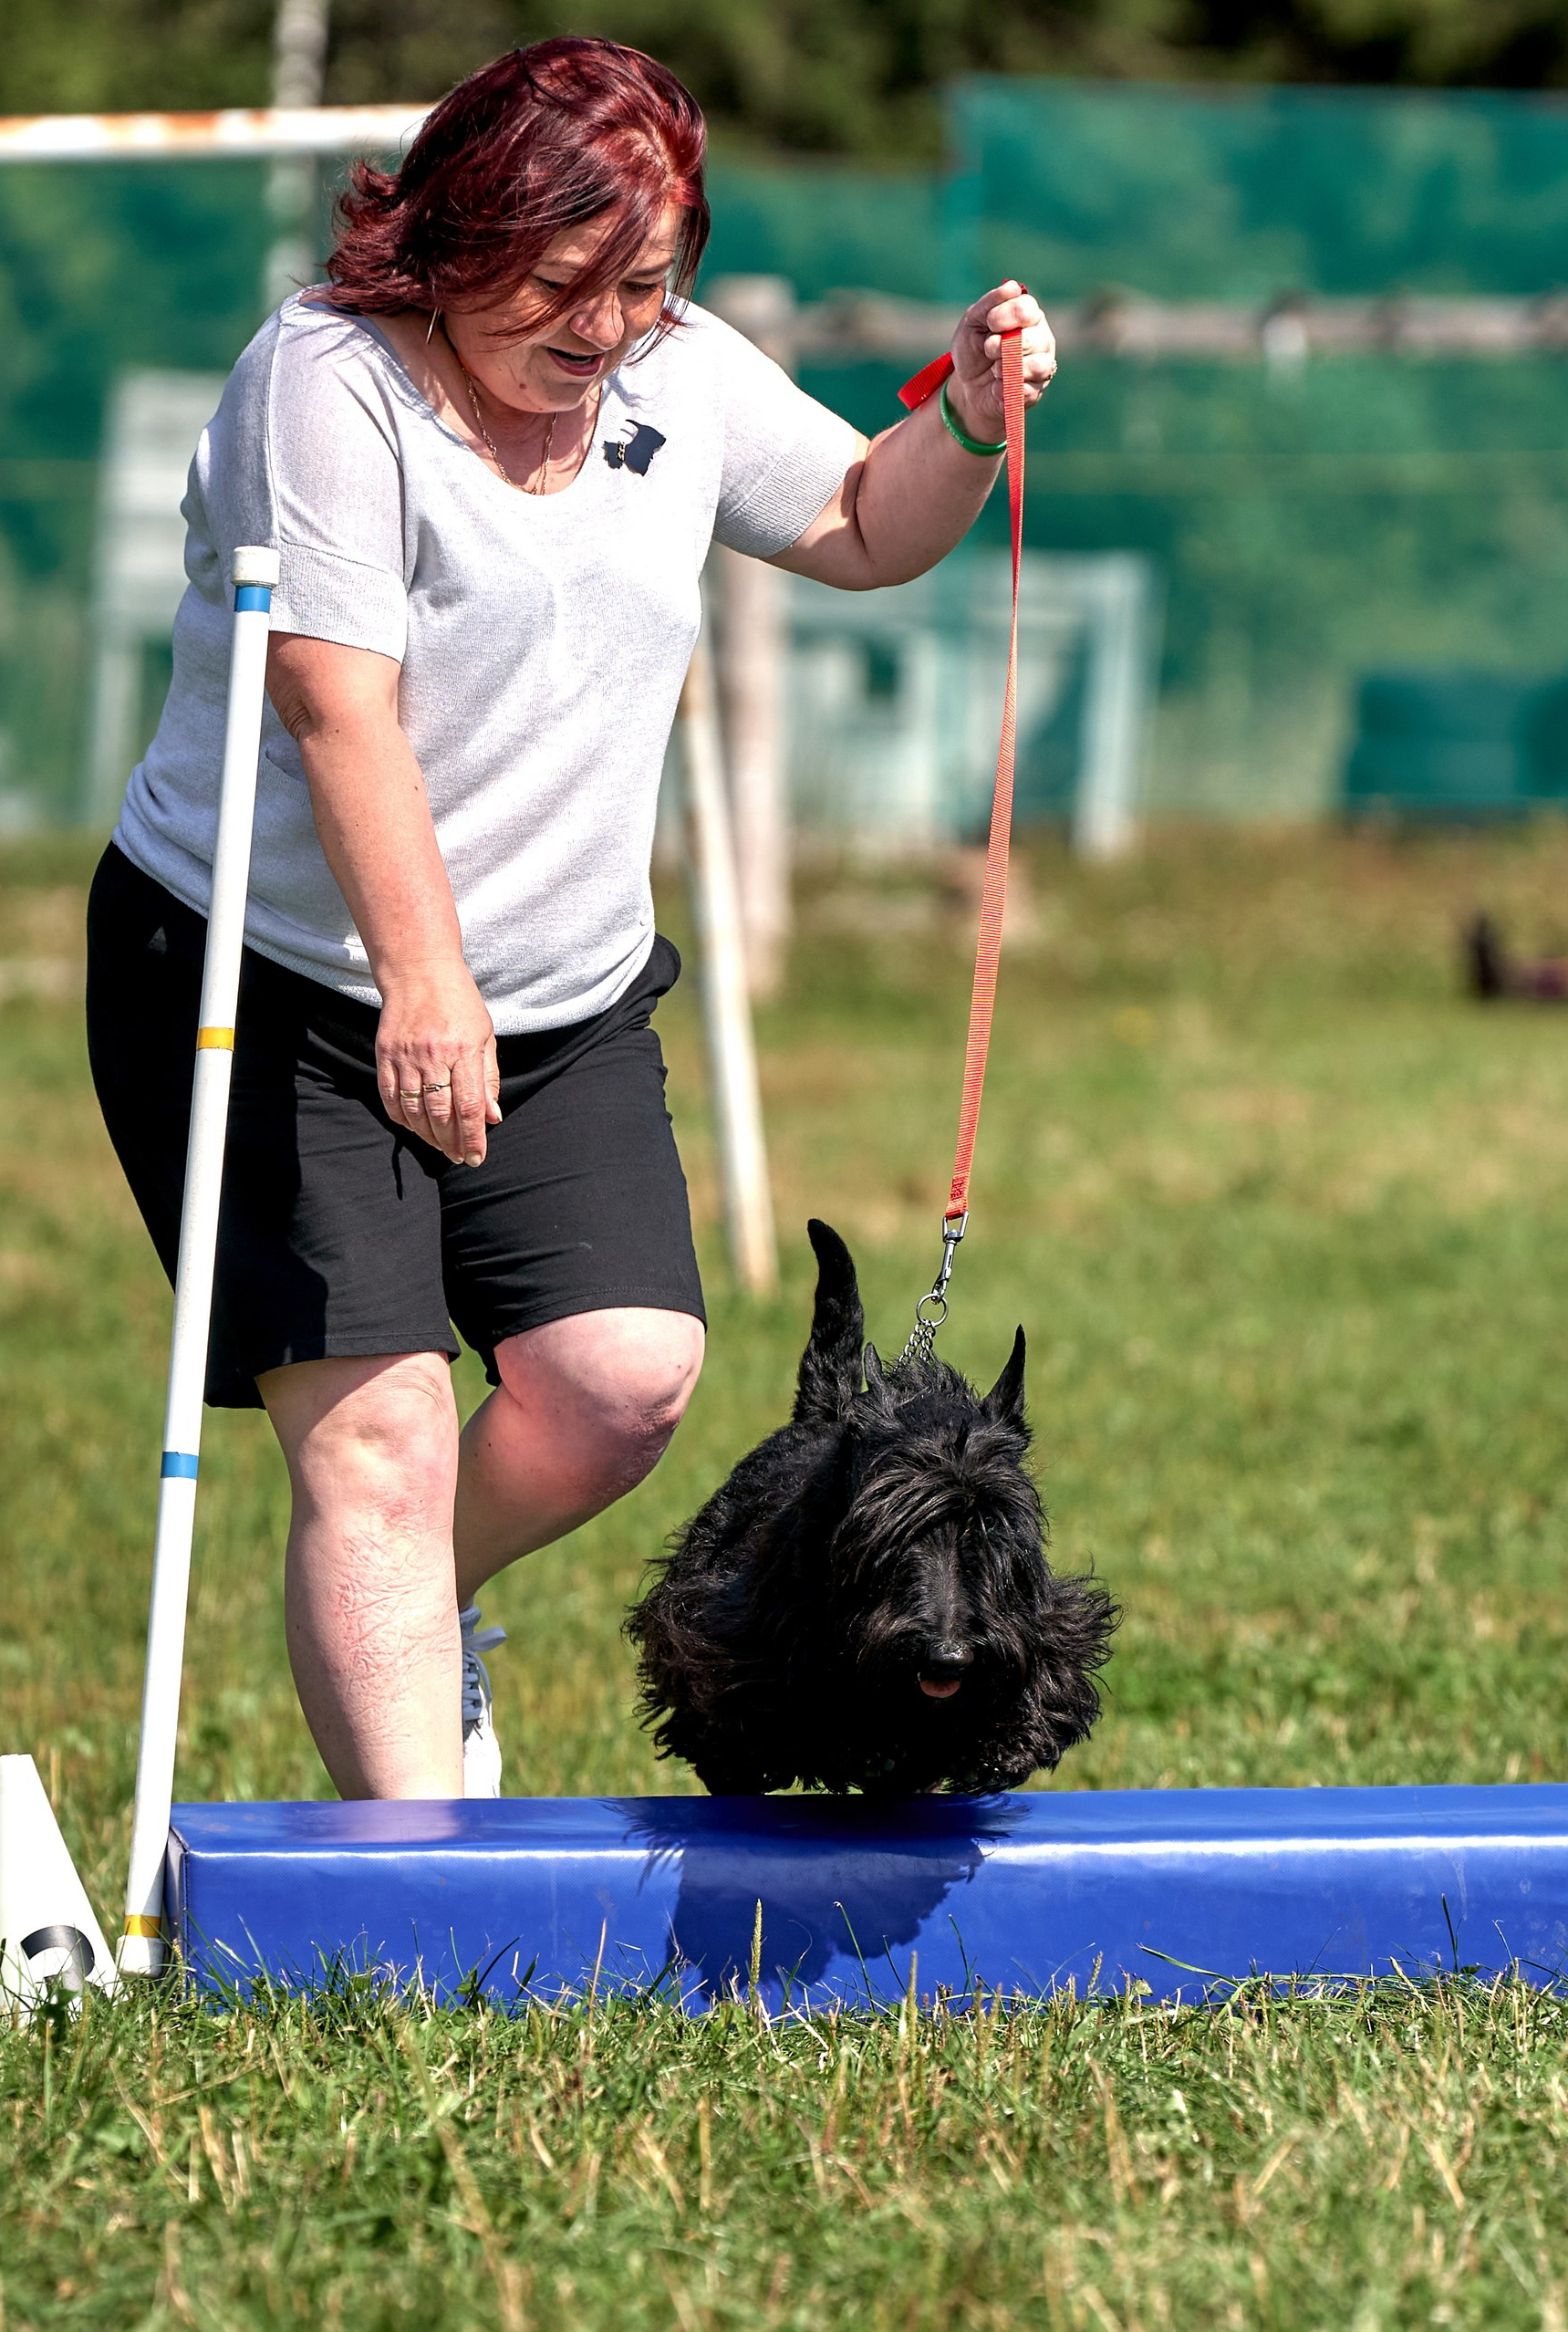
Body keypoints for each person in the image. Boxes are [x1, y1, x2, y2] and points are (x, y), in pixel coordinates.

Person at [85, 38, 1057, 1802]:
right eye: (564, 287)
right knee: (374, 1440)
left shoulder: (669, 367)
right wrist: (424, 984)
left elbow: (853, 519)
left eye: (647, 285)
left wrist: (966, 427)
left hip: (565, 992)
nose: (609, 329)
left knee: (623, 1383)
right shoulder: (325, 378)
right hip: (279, 971)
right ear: (451, 242)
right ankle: (423, 1916)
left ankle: (409, 1595)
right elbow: (335, 701)